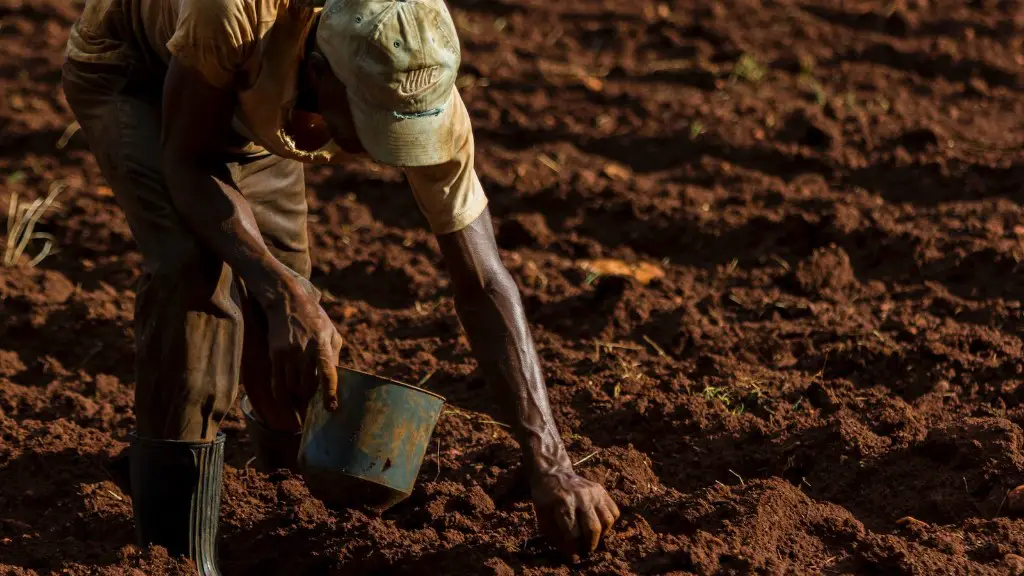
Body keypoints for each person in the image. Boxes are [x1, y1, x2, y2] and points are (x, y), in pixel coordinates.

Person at [61, 0, 619, 572]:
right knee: (195, 274)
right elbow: (187, 160)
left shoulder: (415, 72)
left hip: (258, 98)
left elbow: (482, 280)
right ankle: (175, 549)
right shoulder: (234, 11)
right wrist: (282, 293)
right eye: (370, 123)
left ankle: (276, 486)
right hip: (136, 72)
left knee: (285, 287)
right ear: (322, 74)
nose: (383, 154)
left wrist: (550, 462)